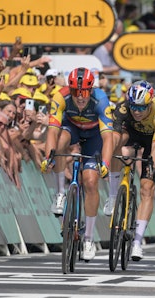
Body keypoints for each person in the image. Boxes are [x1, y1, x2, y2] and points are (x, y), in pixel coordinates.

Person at [40, 67, 113, 261]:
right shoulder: (60, 97)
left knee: (90, 181)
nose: (80, 97)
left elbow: (108, 138)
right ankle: (60, 193)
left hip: (94, 136)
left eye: (84, 92)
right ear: (69, 89)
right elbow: (52, 132)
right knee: (61, 140)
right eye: (75, 92)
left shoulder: (101, 100)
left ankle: (88, 238)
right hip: (71, 127)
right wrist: (48, 157)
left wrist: (105, 163)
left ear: (91, 90)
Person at [106, 80, 155, 261]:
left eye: (141, 108)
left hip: (153, 141)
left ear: (150, 104)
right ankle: (112, 196)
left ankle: (137, 243)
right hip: (132, 133)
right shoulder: (123, 109)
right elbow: (114, 138)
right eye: (134, 106)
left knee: (147, 187)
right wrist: (106, 158)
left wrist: (150, 165)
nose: (137, 111)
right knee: (118, 144)